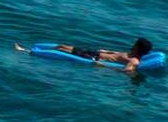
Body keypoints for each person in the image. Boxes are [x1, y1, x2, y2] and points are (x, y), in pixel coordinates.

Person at [17, 38, 155, 72]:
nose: (133, 44)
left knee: (60, 51)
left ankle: (24, 50)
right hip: (94, 52)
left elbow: (126, 71)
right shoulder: (130, 53)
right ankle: (32, 48)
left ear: (138, 47)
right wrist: (106, 51)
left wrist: (103, 66)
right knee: (61, 46)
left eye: (135, 44)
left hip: (93, 58)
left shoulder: (135, 61)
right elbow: (116, 55)